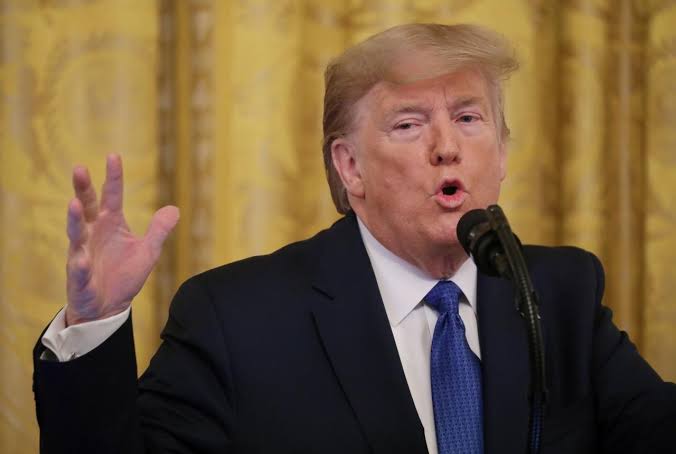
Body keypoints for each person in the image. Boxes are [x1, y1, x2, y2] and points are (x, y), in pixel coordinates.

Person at [33, 23, 676, 454]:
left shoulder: (558, 294)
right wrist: (94, 323)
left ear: (502, 154)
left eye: (469, 118)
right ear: (350, 167)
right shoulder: (238, 316)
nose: (447, 147)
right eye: (408, 123)